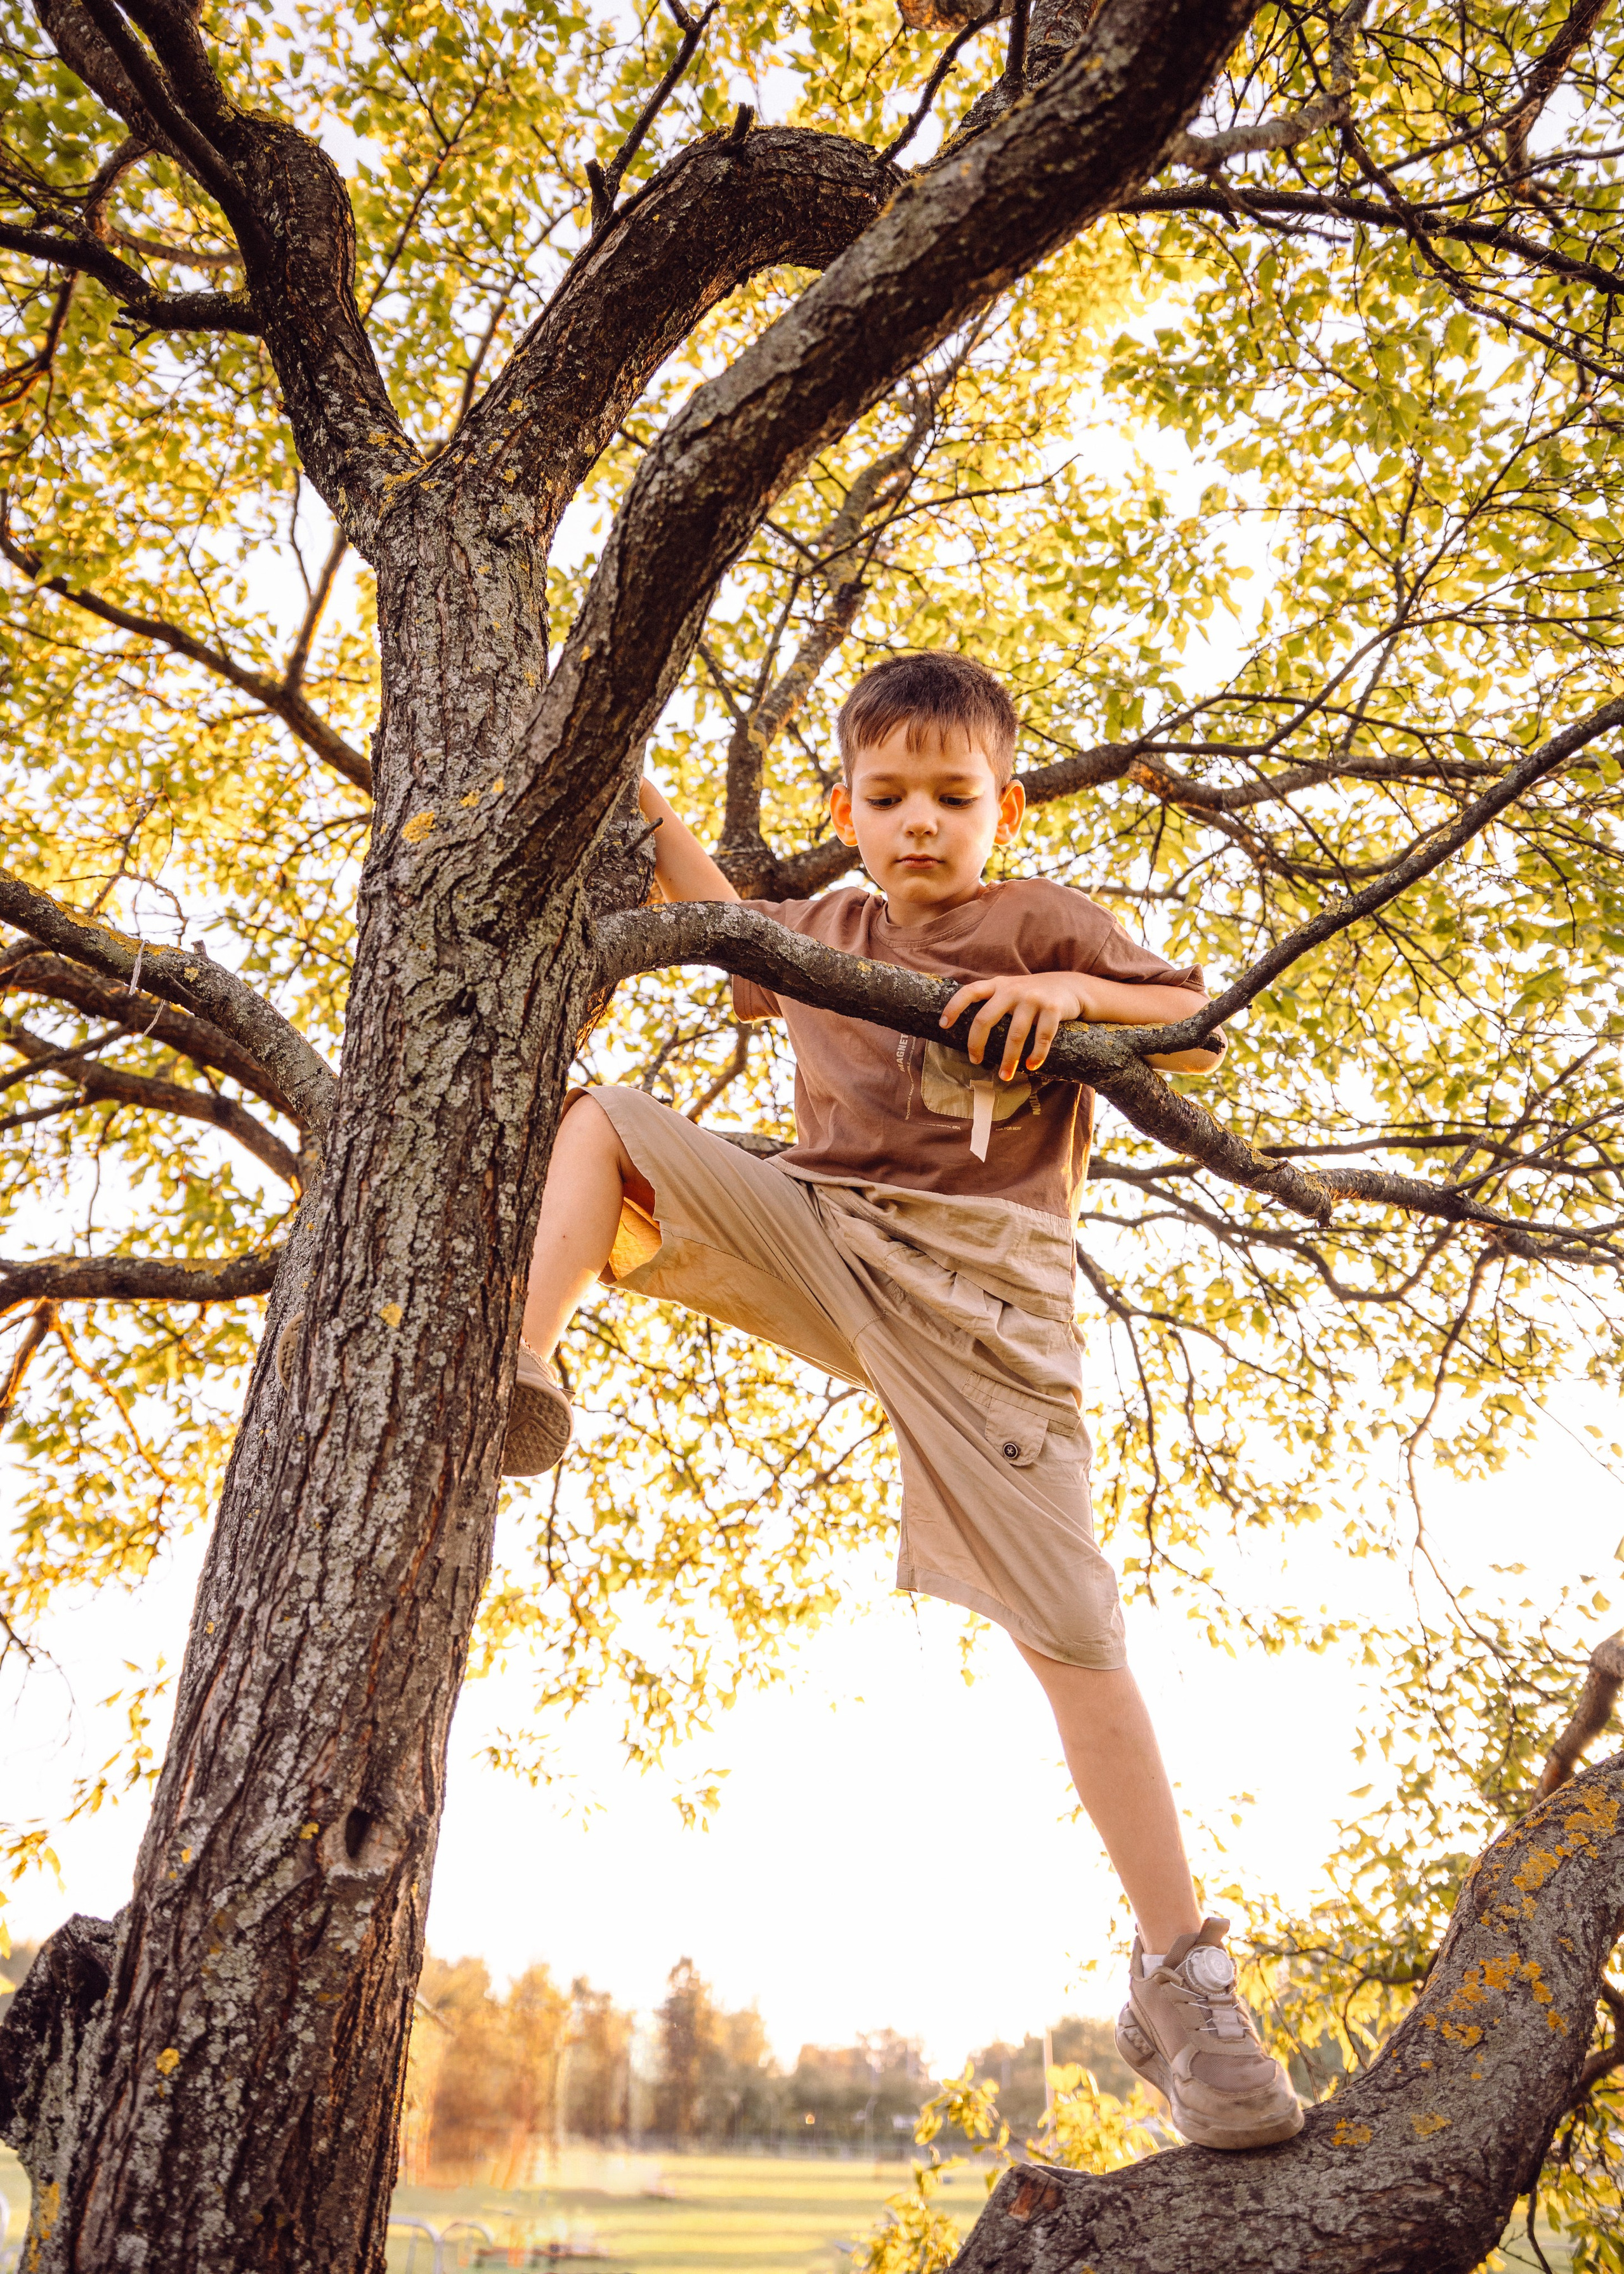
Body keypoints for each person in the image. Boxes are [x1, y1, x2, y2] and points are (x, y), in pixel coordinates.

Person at [506, 651, 1302, 2152]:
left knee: (1070, 1635)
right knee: (602, 1118)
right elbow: (728, 930)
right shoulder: (831, 929)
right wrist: (634, 779)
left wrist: (1061, 993)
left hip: (984, 1304)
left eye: (950, 798)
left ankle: (1180, 1982)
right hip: (823, 1234)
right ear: (847, 810)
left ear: (1002, 806)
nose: (918, 824)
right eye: (886, 799)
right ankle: (522, 1367)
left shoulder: (1038, 917)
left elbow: (1194, 1018)